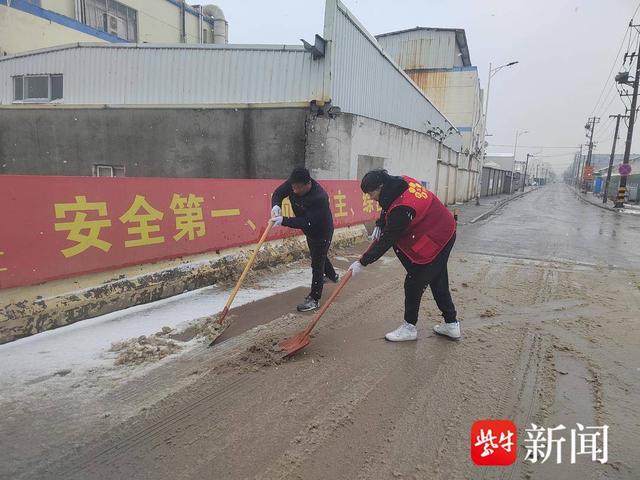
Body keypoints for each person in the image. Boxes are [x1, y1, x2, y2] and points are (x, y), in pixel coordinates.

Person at [349, 169, 460, 341]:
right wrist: (380, 223)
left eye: (372, 194)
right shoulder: (400, 183)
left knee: (414, 282)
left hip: (438, 236)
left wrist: (363, 262)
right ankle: (451, 323)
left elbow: (387, 240)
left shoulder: (402, 208)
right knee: (437, 278)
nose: (371, 198)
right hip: (441, 227)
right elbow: (388, 206)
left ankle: (409, 328)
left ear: (381, 187)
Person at [271, 167, 339, 312]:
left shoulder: (319, 197)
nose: (294, 191)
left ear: (308, 184)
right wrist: (276, 205)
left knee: (316, 264)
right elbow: (278, 193)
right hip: (309, 230)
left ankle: (314, 299)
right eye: (293, 187)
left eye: (298, 188)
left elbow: (306, 221)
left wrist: (284, 220)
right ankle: (333, 276)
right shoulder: (293, 183)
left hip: (321, 231)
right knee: (318, 254)